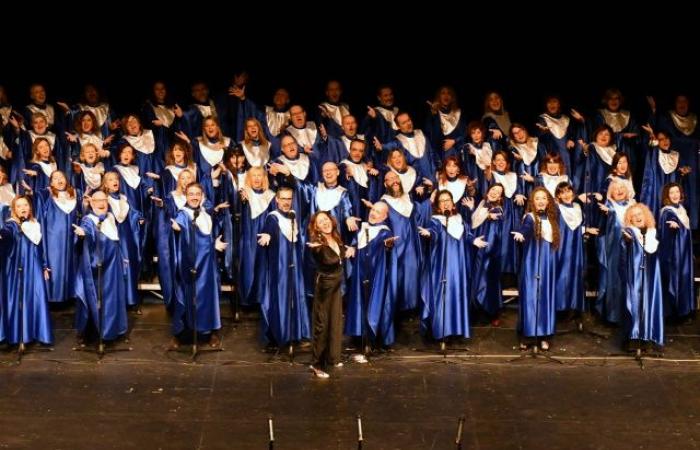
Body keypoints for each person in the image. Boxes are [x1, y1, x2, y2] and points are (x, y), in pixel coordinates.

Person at [419, 191, 486, 341]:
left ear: (452, 202)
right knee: (442, 294)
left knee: (457, 294)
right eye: (442, 201)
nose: (445, 203)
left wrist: (474, 241)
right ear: (437, 205)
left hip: (458, 266)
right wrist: (429, 233)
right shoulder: (435, 220)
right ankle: (442, 331)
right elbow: (434, 232)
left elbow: (467, 234)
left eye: (448, 200)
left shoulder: (459, 219)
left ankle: (456, 330)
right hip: (442, 266)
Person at [170, 183, 228, 348]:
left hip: (207, 265)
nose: (194, 197)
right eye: (191, 194)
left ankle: (210, 333)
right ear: (186, 196)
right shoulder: (182, 215)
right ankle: (181, 335)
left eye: (197, 194)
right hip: (190, 265)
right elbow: (186, 242)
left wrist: (213, 244)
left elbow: (206, 238)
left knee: (208, 298)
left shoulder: (205, 215)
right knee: (189, 298)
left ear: (202, 196)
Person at [257, 187, 310, 348]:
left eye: (289, 199)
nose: (286, 202)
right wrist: (266, 235)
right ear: (277, 200)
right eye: (283, 199)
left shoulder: (293, 216)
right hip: (280, 268)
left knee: (296, 297)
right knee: (282, 299)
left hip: (295, 267)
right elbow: (268, 231)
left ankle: (296, 334)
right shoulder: (273, 218)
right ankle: (282, 335)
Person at [72, 190, 128, 344]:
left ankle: (113, 331)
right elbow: (87, 230)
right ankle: (98, 332)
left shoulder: (110, 218)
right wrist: (84, 233)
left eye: (104, 200)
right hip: (98, 266)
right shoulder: (88, 220)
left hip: (113, 264)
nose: (102, 203)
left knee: (113, 297)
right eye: (97, 200)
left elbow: (116, 240)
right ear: (91, 203)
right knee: (98, 297)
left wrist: (123, 257)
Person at [306, 211, 354, 379]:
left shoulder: (336, 237)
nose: (325, 223)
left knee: (336, 320)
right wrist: (320, 248)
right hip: (325, 285)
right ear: (316, 227)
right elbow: (327, 259)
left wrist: (349, 250)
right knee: (322, 323)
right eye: (320, 222)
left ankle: (333, 357)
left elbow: (340, 257)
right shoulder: (317, 243)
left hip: (337, 283)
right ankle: (316, 364)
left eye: (326, 219)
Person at [0, 196, 53, 346]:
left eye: (25, 205)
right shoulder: (12, 225)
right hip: (17, 269)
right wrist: (2, 235)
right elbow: (6, 234)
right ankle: (19, 335)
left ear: (30, 207)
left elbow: (41, 247)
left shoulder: (35, 224)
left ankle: (36, 333)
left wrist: (44, 266)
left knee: (36, 297)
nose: (23, 208)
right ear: (14, 209)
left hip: (34, 266)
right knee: (19, 299)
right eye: (19, 206)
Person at [512, 187, 560, 351]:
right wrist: (521, 234)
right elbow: (526, 228)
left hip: (548, 264)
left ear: (548, 202)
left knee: (546, 296)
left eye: (544, 198)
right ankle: (529, 335)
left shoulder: (552, 219)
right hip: (533, 263)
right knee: (531, 297)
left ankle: (544, 335)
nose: (540, 201)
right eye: (537, 198)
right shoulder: (530, 218)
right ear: (533, 201)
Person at [620, 203, 664, 350]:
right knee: (634, 302)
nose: (637, 217)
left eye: (640, 214)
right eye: (633, 216)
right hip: (635, 276)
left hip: (650, 276)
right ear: (630, 220)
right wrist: (627, 241)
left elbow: (654, 252)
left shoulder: (651, 232)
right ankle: (634, 337)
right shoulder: (629, 232)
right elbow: (624, 248)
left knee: (649, 303)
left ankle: (648, 336)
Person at [658, 183, 695, 320]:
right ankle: (674, 313)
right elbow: (670, 220)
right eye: (671, 193)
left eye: (677, 192)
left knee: (684, 279)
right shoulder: (667, 211)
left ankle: (683, 311)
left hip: (684, 253)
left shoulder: (682, 209)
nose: (675, 195)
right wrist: (674, 223)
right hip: (674, 255)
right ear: (667, 195)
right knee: (675, 280)